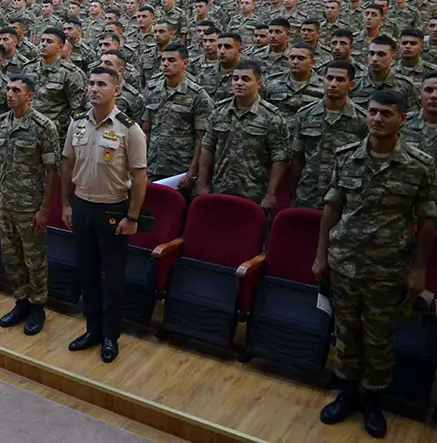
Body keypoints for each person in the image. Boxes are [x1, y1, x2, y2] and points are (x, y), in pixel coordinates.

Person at [314, 91, 437, 438]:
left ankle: (374, 401)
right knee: (346, 333)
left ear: (402, 119)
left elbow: (428, 222)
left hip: (388, 268)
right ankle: (348, 393)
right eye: (372, 112)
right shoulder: (347, 157)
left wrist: (418, 269)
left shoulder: (418, 164)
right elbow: (332, 208)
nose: (377, 118)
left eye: (386, 113)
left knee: (380, 339)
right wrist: (321, 254)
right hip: (345, 263)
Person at [62, 66, 148, 363]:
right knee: (86, 272)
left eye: (101, 84)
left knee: (112, 277)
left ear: (116, 90)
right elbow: (67, 165)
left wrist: (133, 217)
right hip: (83, 204)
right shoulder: (77, 124)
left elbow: (139, 176)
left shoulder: (129, 129)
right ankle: (92, 329)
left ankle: (110, 335)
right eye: (91, 83)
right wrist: (66, 204)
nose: (94, 89)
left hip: (113, 208)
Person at [0, 74, 60, 335]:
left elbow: (52, 171)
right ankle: (21, 301)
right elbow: (1, 165)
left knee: (35, 260)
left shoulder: (44, 127)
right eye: (8, 89)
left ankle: (37, 306)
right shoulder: (2, 123)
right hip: (7, 202)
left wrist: (44, 209)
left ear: (29, 96)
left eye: (16, 90)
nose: (9, 94)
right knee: (10, 258)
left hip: (30, 206)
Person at [198, 60, 290, 209]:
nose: (239, 83)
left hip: (253, 194)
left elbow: (280, 158)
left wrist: (271, 193)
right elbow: (208, 146)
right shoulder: (219, 111)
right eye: (235, 79)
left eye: (245, 79)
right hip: (220, 188)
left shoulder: (271, 116)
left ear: (258, 84)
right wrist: (202, 183)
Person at [291, 61, 367, 209]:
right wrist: (293, 192)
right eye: (329, 78)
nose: (333, 84)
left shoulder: (362, 120)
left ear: (351, 85)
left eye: (340, 80)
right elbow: (297, 158)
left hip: (344, 197)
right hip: (308, 193)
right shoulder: (305, 114)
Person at [142, 44, 213, 186]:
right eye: (163, 60)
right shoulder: (152, 90)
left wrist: (192, 172)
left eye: (172, 60)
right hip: (153, 166)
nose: (166, 64)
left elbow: (202, 138)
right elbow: (146, 130)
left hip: (180, 169)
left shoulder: (197, 95)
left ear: (185, 63)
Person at [24, 27, 87, 150]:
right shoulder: (28, 68)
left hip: (56, 137)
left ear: (60, 47)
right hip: (27, 133)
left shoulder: (71, 74)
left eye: (49, 41)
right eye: (42, 40)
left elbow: (79, 112)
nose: (43, 44)